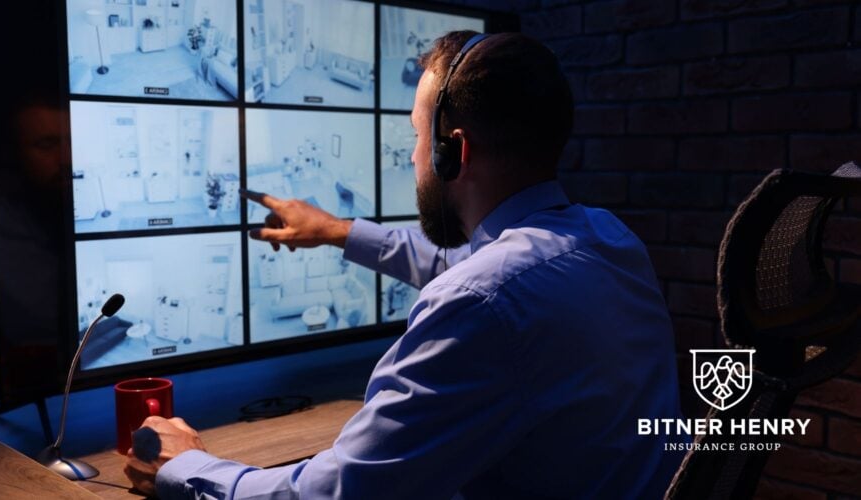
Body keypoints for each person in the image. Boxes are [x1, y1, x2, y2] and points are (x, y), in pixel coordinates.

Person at [125, 31, 687, 499]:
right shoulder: (609, 241)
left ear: (453, 151)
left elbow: (333, 495)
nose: (415, 156)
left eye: (416, 135)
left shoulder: (481, 302)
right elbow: (476, 267)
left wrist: (187, 468)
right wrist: (336, 230)